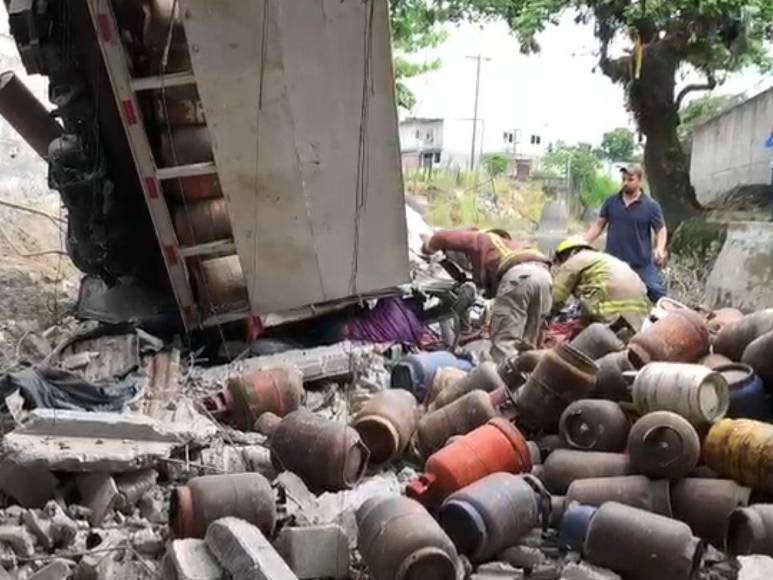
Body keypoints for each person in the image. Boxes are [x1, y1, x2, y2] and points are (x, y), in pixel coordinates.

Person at [421, 229, 552, 363]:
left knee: (504, 342)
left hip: (520, 274)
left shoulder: (481, 238)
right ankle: (525, 379)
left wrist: (428, 245)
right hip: (544, 276)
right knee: (528, 341)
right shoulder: (502, 252)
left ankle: (499, 380)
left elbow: (442, 237)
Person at [585, 165, 668, 303]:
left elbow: (661, 229)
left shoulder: (651, 206)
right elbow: (599, 225)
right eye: (623, 179)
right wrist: (583, 242)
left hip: (640, 263)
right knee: (594, 291)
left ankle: (660, 321)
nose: (625, 183)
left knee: (656, 292)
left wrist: (659, 248)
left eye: (630, 179)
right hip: (612, 262)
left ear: (640, 182)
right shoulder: (611, 202)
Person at [552, 237, 650, 332]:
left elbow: (556, 296)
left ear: (572, 252)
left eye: (561, 259)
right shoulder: (606, 259)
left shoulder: (575, 260)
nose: (561, 264)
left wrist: (545, 316)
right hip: (640, 318)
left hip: (610, 315)